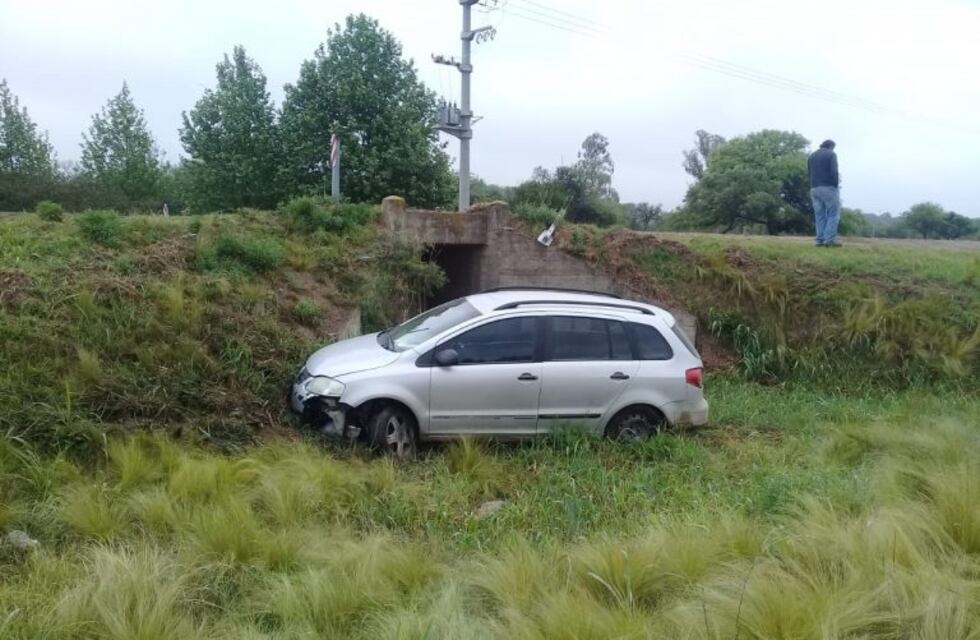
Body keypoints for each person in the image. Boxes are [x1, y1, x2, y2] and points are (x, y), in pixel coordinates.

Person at [808, 140, 841, 247]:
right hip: (828, 187)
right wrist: (835, 185)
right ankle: (829, 240)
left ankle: (819, 240)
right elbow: (834, 171)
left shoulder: (812, 156)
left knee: (820, 215)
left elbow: (809, 172)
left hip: (814, 188)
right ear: (831, 146)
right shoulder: (831, 154)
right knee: (833, 214)